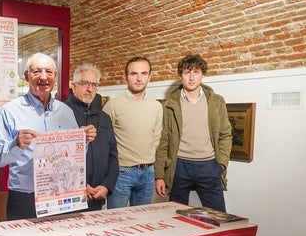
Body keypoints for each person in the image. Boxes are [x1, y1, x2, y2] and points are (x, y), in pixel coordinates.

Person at [0, 53, 96, 220]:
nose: (44, 77)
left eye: (49, 72)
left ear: (55, 76)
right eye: (37, 71)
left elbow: (76, 156)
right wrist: (15, 144)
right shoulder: (10, 111)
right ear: (26, 76)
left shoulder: (65, 112)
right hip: (25, 198)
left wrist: (83, 141)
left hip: (61, 196)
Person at [154, 54, 232, 212]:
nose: (191, 77)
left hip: (209, 166)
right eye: (186, 72)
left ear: (203, 75)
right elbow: (164, 141)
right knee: (177, 219)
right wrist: (160, 175)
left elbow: (225, 135)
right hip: (179, 166)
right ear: (180, 75)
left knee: (218, 217)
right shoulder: (170, 104)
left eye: (196, 72)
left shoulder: (217, 102)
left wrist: (221, 163)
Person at [103, 56, 163, 208]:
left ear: (149, 77)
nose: (139, 78)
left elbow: (156, 138)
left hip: (148, 172)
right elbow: (104, 142)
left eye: (143, 73)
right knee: (116, 221)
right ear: (126, 77)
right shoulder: (113, 106)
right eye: (133, 74)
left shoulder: (156, 106)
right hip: (122, 172)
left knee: (142, 221)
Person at [65, 64, 118, 211]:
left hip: (97, 196)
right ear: (73, 86)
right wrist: (81, 185)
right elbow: (56, 159)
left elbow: (113, 155)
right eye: (84, 83)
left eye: (94, 85)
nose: (90, 89)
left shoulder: (104, 118)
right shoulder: (61, 114)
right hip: (70, 196)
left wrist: (107, 185)